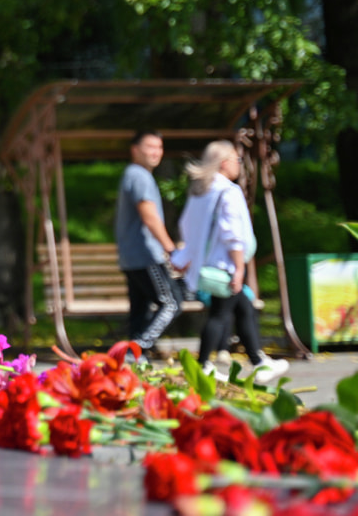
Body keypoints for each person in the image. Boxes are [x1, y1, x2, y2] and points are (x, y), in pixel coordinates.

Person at [171, 140, 289, 384]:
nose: (239, 165)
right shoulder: (229, 191)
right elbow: (233, 234)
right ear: (224, 163)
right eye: (236, 159)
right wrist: (239, 268)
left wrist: (187, 258)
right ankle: (207, 364)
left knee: (242, 306)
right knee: (220, 313)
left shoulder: (199, 191)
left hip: (205, 264)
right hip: (224, 265)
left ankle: (257, 361)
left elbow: (186, 227)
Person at [114, 130, 182, 358]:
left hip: (131, 257)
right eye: (150, 146)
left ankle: (134, 361)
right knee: (172, 303)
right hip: (145, 255)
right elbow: (149, 214)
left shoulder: (132, 174)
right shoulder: (139, 175)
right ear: (135, 150)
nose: (156, 152)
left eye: (159, 147)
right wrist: (170, 249)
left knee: (140, 311)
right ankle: (136, 349)